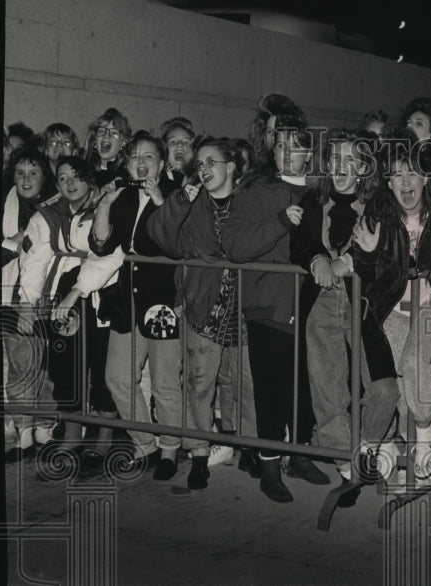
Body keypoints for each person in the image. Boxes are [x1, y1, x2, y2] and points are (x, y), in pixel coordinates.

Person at [147, 136, 259, 489]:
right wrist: (179, 201)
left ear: (232, 166)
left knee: (246, 383)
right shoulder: (193, 204)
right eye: (200, 164)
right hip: (203, 305)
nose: (205, 169)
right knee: (199, 385)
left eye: (212, 162)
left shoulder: (250, 204)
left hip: (244, 308)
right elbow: (162, 237)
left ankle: (251, 447)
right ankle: (198, 453)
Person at [292, 129, 401, 491]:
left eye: (349, 159)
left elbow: (386, 249)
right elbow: (300, 244)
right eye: (335, 158)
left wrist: (352, 260)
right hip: (319, 302)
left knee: (384, 389)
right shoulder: (313, 198)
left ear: (363, 166)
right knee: (327, 390)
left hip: (361, 302)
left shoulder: (380, 202)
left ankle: (368, 447)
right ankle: (345, 461)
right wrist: (318, 258)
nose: (340, 167)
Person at [222, 118, 321, 503]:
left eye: (295, 147)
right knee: (270, 388)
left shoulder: (318, 192)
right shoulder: (256, 190)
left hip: (309, 304)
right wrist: (280, 222)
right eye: (280, 146)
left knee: (303, 386)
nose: (286, 154)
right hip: (267, 302)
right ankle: (269, 465)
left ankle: (298, 454)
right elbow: (234, 245)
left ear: (309, 153)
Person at [17, 157, 122, 467]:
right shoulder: (51, 212)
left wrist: (78, 291)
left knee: (102, 367)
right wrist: (27, 302)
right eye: (62, 178)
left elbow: (110, 256)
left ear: (89, 179)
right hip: (63, 293)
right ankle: (73, 434)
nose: (69, 183)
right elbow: (36, 258)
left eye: (76, 176)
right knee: (65, 365)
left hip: (101, 294)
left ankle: (104, 436)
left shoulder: (106, 205)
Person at [90, 130, 183, 478]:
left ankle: (171, 450)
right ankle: (146, 444)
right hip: (127, 299)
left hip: (162, 301)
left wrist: (161, 203)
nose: (141, 163)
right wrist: (105, 204)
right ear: (127, 164)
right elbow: (101, 244)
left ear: (161, 163)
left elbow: (178, 245)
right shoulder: (123, 197)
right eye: (135, 157)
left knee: (164, 383)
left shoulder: (176, 195)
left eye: (148, 157)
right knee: (117, 377)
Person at [380, 142, 431, 488]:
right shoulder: (381, 220)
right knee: (396, 376)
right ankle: (406, 450)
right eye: (397, 175)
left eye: (412, 172)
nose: (405, 182)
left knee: (414, 363)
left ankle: (425, 441)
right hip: (395, 307)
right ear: (388, 183)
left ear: (425, 178)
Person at [2, 148, 58, 459]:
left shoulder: (54, 206)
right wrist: (14, 241)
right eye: (20, 173)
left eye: (33, 173)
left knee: (45, 368)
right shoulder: (5, 205)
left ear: (44, 177)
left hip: (46, 296)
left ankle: (44, 428)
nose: (26, 179)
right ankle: (23, 434)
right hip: (10, 295)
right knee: (20, 367)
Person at [83, 108, 131, 186]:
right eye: (101, 131)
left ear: (123, 142)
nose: (106, 136)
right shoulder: (83, 171)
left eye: (113, 133)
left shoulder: (128, 175)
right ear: (95, 139)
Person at [159, 116, 195, 187]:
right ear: (164, 148)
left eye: (185, 142)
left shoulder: (198, 178)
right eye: (173, 142)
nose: (180, 144)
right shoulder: (157, 179)